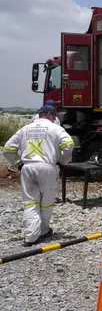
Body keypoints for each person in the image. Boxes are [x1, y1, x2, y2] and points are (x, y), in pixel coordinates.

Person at [2, 105, 74, 247]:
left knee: (30, 202)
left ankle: (31, 236)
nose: (54, 119)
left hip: (28, 168)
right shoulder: (56, 129)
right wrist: (64, 160)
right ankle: (44, 230)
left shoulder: (25, 129)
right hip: (47, 167)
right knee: (46, 202)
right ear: (49, 115)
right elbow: (68, 143)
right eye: (54, 116)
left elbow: (8, 149)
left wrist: (17, 162)